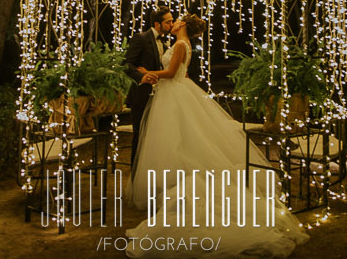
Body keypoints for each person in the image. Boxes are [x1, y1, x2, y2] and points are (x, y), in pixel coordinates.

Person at [126, 15, 308, 258]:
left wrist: (149, 72)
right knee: (176, 141)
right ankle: (171, 191)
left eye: (176, 20)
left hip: (173, 94)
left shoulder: (180, 45)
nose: (174, 22)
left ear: (182, 26)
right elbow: (182, 73)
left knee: (177, 140)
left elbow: (171, 72)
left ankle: (176, 192)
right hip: (174, 93)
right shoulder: (180, 45)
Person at [124, 6, 174, 169]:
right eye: (168, 22)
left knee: (157, 136)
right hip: (141, 94)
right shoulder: (141, 38)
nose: (171, 24)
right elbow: (126, 64)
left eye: (172, 21)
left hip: (160, 95)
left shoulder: (166, 40)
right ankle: (135, 174)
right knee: (140, 135)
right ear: (157, 24)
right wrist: (141, 77)